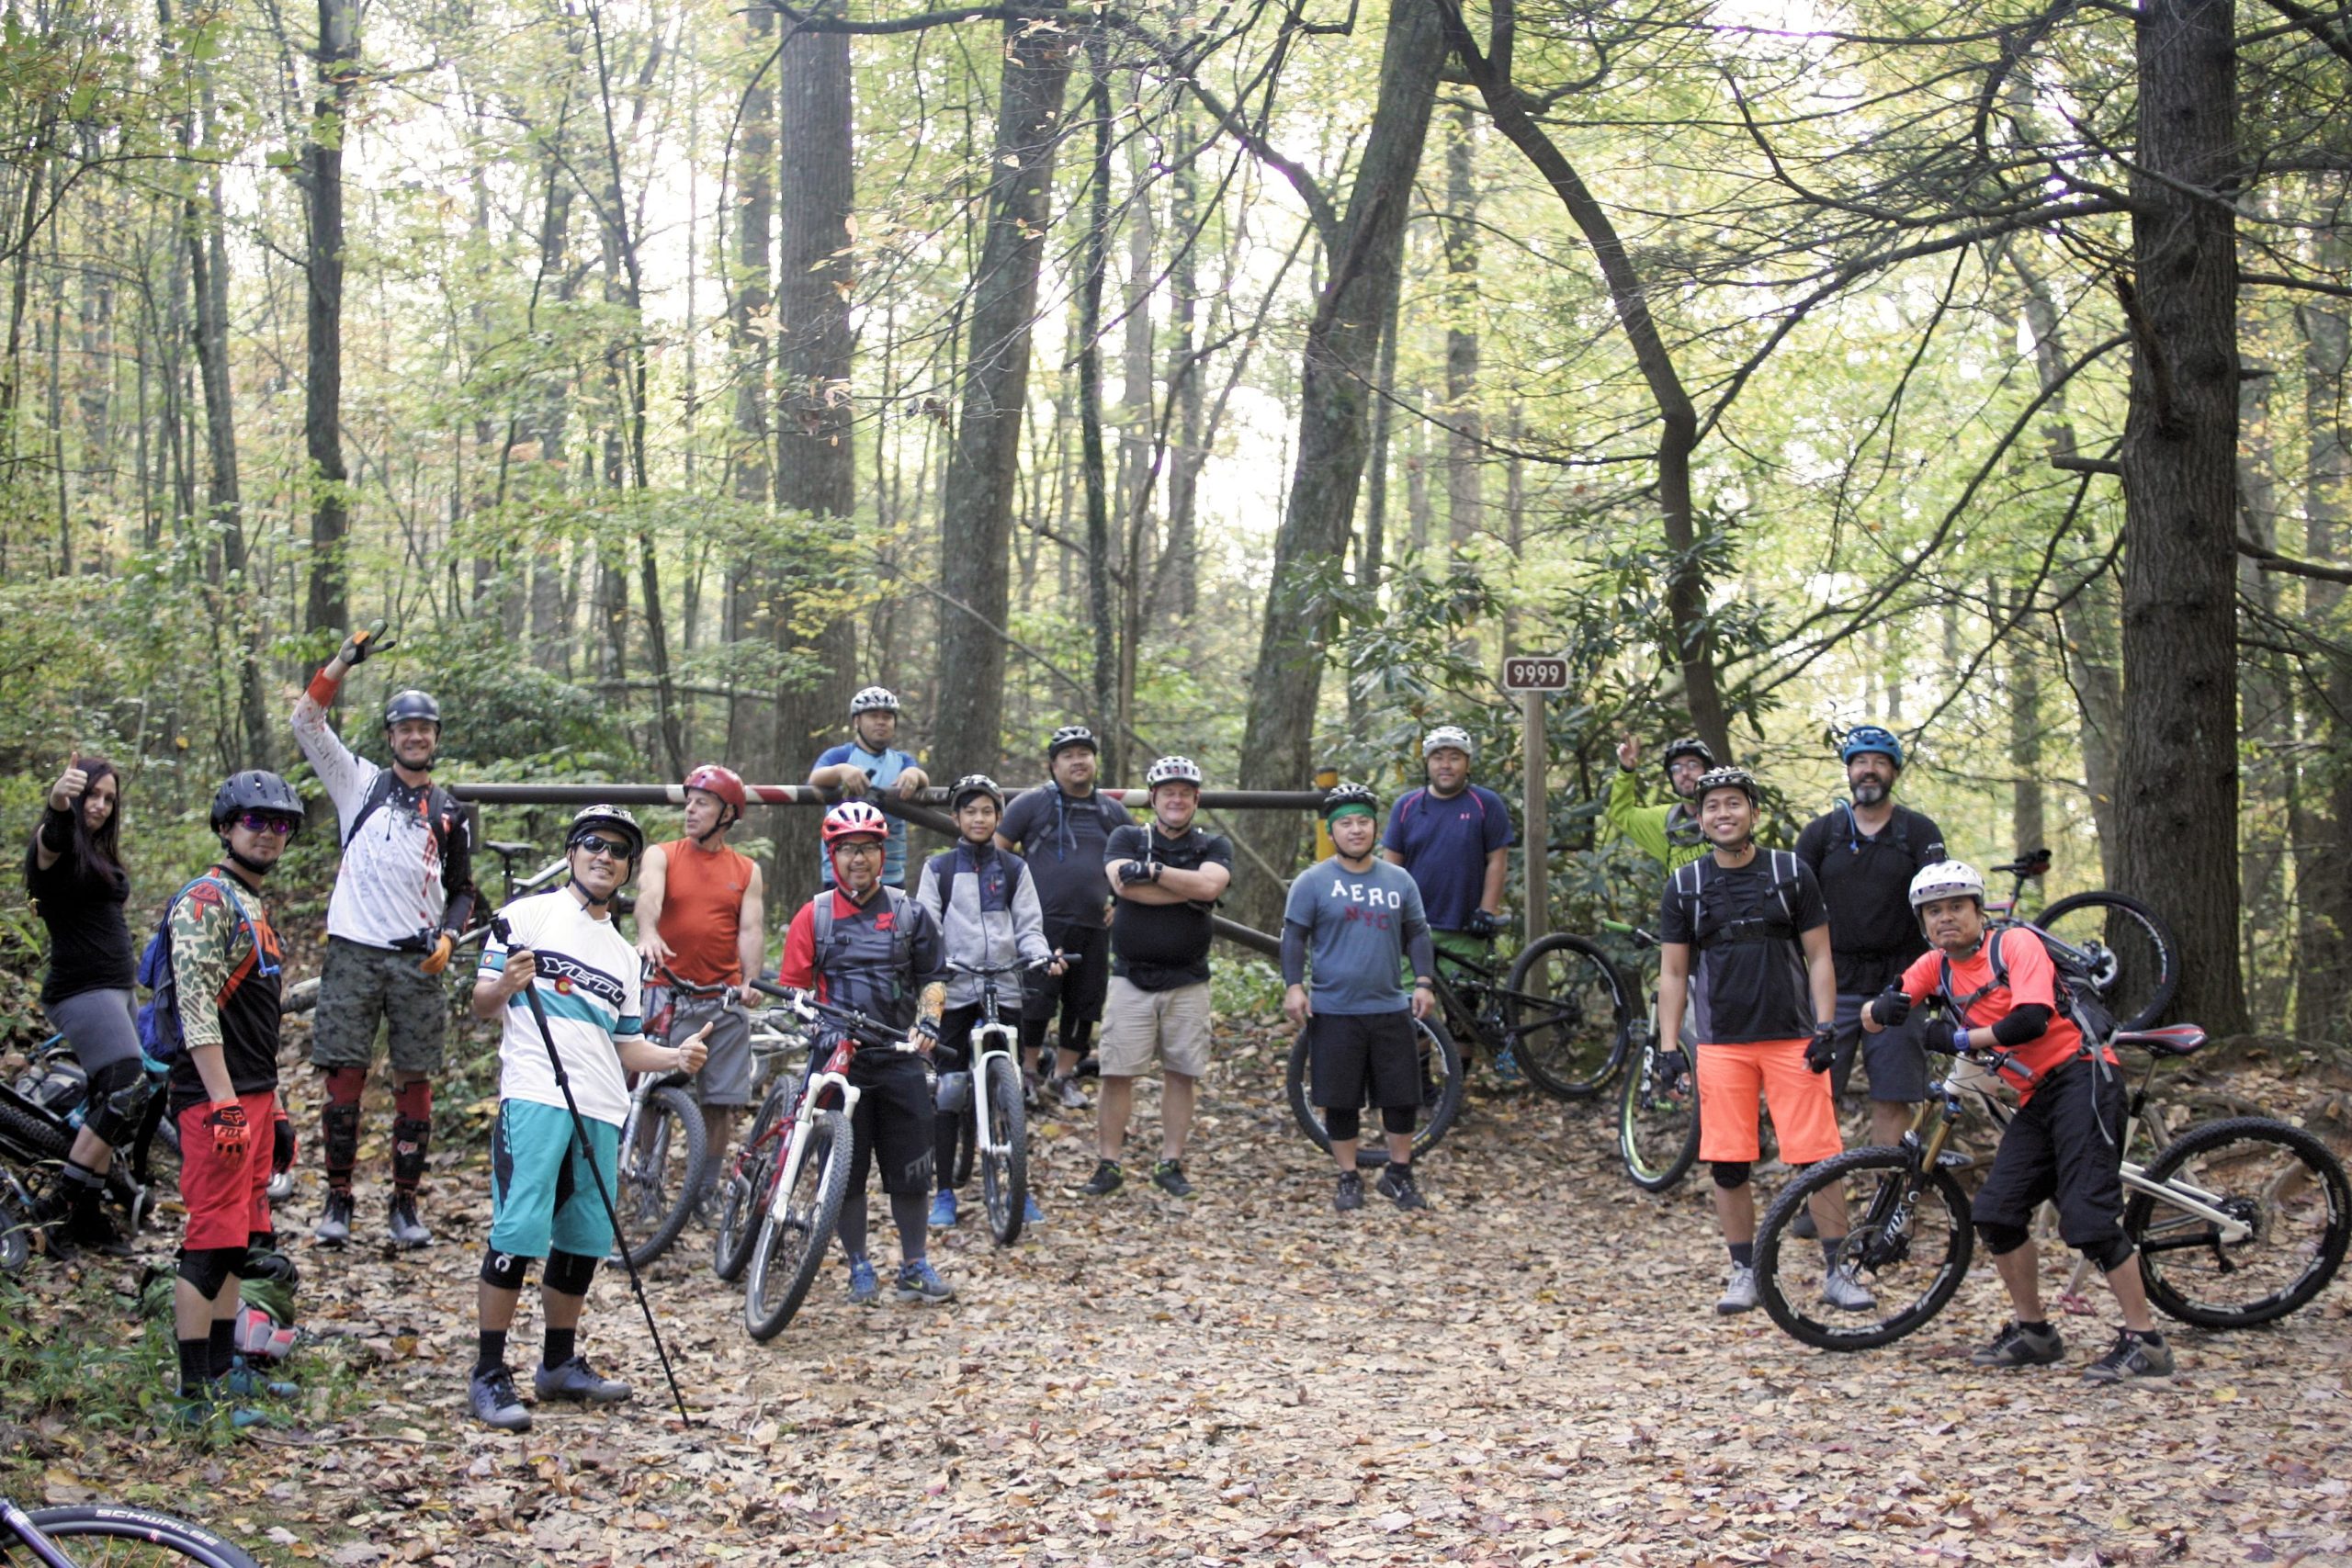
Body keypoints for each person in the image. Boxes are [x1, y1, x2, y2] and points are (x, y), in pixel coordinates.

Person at [1864, 861, 2175, 1382]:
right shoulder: (1935, 964)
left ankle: (2147, 1343)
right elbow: (1877, 1012)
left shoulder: (2013, 946)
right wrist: (1884, 1006)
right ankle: (2035, 1333)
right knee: (1997, 1212)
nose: (1946, 919)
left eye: (1957, 907)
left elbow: (2029, 1019)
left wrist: (1958, 1039)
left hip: (2083, 1076)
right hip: (2038, 1093)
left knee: (2089, 1221)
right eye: (1934, 911)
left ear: (1978, 910)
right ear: (1923, 922)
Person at [466, 806, 710, 1432]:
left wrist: (676, 1055)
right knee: (519, 1231)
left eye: (619, 851)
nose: (605, 857)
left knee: (581, 1239)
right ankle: (490, 1372)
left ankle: (558, 1363)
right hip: (537, 1094)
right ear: (573, 852)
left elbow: (625, 1046)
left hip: (602, 1106)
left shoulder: (624, 956)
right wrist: (507, 983)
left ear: (629, 868)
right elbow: (481, 1003)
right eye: (593, 845)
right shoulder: (527, 917)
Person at [1654, 765, 1871, 1317]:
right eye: (1711, 807)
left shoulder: (1790, 871)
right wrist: (1667, 1046)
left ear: (1753, 811)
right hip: (1722, 1041)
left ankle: (1837, 1269)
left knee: (1819, 1157)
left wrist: (1826, 1028)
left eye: (1733, 804)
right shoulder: (1686, 884)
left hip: (1793, 1036)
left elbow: (1820, 955)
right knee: (1728, 1163)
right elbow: (1674, 973)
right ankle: (1745, 1271)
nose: (1722, 814)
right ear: (1699, 819)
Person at [291, 623, 478, 1249]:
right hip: (352, 952)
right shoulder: (359, 782)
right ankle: (338, 1197)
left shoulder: (451, 810)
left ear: (436, 738)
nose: (415, 736)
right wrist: (343, 660)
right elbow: (306, 720)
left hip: (417, 960)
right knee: (343, 1075)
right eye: (405, 728)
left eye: (425, 728)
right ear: (391, 736)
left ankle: (404, 1204)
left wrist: (452, 936)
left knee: (415, 1080)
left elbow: (462, 888)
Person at [776, 800, 954, 1305]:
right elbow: (794, 989)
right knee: (844, 1172)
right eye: (848, 849)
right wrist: (815, 1024)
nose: (859, 859)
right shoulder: (816, 915)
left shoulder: (908, 912)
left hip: (899, 1056)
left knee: (912, 1167)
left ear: (884, 854)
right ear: (832, 855)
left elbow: (934, 977)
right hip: (838, 1061)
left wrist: (929, 1022)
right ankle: (859, 1265)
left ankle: (915, 1265)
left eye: (869, 849)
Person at [165, 771, 301, 1425]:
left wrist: (272, 1107)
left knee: (237, 1240)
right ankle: (196, 1396)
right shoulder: (205, 900)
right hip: (211, 1096)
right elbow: (196, 1005)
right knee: (209, 1241)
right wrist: (222, 1102)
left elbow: (257, 1020)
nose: (269, 833)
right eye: (256, 821)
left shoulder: (251, 903)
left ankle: (227, 1371)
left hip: (251, 1092)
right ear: (226, 825)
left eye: (280, 824)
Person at [1283, 784, 1438, 1213]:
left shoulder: (1398, 879)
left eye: (1363, 822)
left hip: (1390, 1006)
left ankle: (1399, 1174)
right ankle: (1348, 1176)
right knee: (1342, 1099)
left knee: (1402, 1097)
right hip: (1335, 1009)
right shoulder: (1312, 882)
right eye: (1346, 823)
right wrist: (1294, 986)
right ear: (1332, 832)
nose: (1356, 830)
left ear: (1376, 828)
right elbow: (1294, 936)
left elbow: (1417, 932)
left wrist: (1423, 982)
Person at [1793, 725, 1948, 1151]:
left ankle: (1888, 1201)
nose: (1869, 771)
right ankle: (1821, 1206)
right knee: (1819, 1095)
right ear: (1848, 771)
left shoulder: (1917, 833)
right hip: (1832, 984)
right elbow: (1792, 905)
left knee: (1892, 1099)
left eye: (1880, 762)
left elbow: (1943, 902)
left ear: (1893, 773)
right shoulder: (1821, 835)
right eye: (1861, 762)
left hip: (1900, 986)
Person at [914, 775, 1058, 1227]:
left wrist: (1039, 956)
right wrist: (938, 965)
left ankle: (1019, 1185)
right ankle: (942, 1193)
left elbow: (1029, 926)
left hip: (1004, 985)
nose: (979, 819)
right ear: (956, 818)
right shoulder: (937, 869)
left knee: (1009, 1085)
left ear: (998, 817)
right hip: (953, 989)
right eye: (970, 811)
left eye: (987, 811)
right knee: (950, 1088)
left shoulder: (1015, 869)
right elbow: (926, 929)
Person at [1086, 756, 1232, 1200]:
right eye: (1168, 792)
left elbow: (1210, 888)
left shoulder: (1213, 844)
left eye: (1185, 793)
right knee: (1116, 1072)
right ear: (1153, 798)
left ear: (1196, 800)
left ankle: (1171, 1162)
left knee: (1181, 1072)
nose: (1176, 799)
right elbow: (1122, 885)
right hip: (1130, 978)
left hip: (1189, 979)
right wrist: (1182, 890)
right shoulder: (1128, 835)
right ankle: (1109, 1163)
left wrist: (1153, 873)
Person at [632, 763, 765, 1212]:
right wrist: (648, 933)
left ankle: (705, 1190)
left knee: (719, 1102)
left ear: (728, 814)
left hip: (721, 999)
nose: (691, 809)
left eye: (702, 802)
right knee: (653, 1094)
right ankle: (646, 1182)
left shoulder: (746, 869)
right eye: (689, 801)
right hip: (665, 990)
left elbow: (750, 929)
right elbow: (648, 896)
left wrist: (750, 980)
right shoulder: (662, 854)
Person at [22, 756, 140, 1258]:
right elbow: (49, 841)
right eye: (93, 794)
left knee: (109, 1104)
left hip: (117, 989)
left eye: (108, 798)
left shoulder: (97, 852)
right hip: (81, 990)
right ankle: (60, 1205)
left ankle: (87, 1217)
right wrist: (58, 801)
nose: (99, 804)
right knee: (126, 1085)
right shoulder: (58, 849)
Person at [996, 725, 1133, 1109]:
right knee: (1036, 999)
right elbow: (998, 849)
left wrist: (1120, 902)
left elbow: (1134, 862)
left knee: (1085, 1002)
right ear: (1054, 764)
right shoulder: (1031, 804)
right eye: (1068, 755)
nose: (1078, 761)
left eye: (1084, 754)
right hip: (1041, 924)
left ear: (1094, 761)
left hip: (1093, 924)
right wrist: (1012, 899)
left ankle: (1063, 1076)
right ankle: (1027, 1072)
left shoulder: (1112, 811)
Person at [807, 686, 930, 891]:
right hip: (840, 872)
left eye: (887, 717)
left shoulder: (902, 760)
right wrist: (840, 771)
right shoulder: (840, 755)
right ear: (857, 721)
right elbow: (815, 778)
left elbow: (922, 777)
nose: (881, 722)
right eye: (873, 716)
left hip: (890, 873)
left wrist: (914, 774)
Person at [1605, 735, 1714, 873]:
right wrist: (1626, 771)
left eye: (1693, 765)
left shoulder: (1730, 811)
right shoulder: (1664, 820)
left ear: (1707, 770)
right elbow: (1621, 813)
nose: (1685, 773)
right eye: (1676, 768)